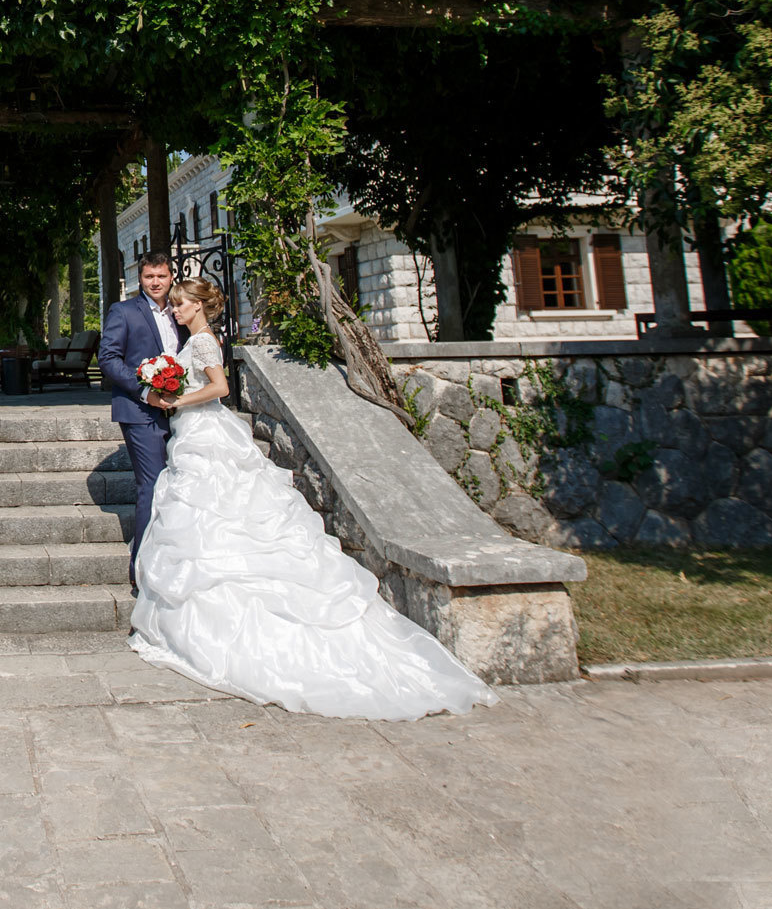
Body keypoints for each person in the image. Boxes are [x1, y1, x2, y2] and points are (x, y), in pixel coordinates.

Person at [127, 277, 497, 721]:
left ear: (198, 306)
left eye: (181, 304)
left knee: (215, 511)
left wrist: (178, 400)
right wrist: (163, 391)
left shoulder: (204, 341)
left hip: (206, 435)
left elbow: (221, 389)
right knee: (203, 515)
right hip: (193, 433)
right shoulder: (195, 340)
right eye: (175, 305)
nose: (175, 310)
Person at [96, 252, 188, 591]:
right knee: (151, 484)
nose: (155, 282)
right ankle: (142, 568)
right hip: (139, 411)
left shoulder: (180, 311)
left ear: (171, 276)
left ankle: (174, 559)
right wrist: (144, 390)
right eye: (149, 277)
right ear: (140, 278)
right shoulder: (123, 311)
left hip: (180, 411)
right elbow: (108, 358)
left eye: (161, 276)